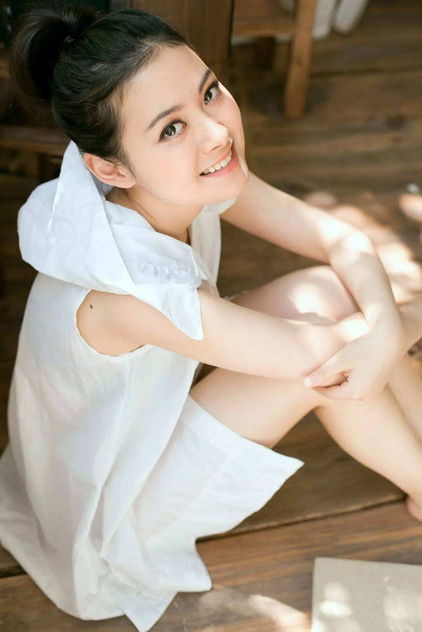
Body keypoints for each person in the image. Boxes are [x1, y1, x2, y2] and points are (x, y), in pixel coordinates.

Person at [0, 2, 421, 630]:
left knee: (339, 296)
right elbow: (323, 356)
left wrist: (388, 326)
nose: (216, 132)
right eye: (171, 128)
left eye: (210, 92)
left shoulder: (163, 174)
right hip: (117, 504)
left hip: (151, 412)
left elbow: (341, 239)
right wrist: (400, 321)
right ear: (109, 167)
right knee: (329, 357)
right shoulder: (128, 290)